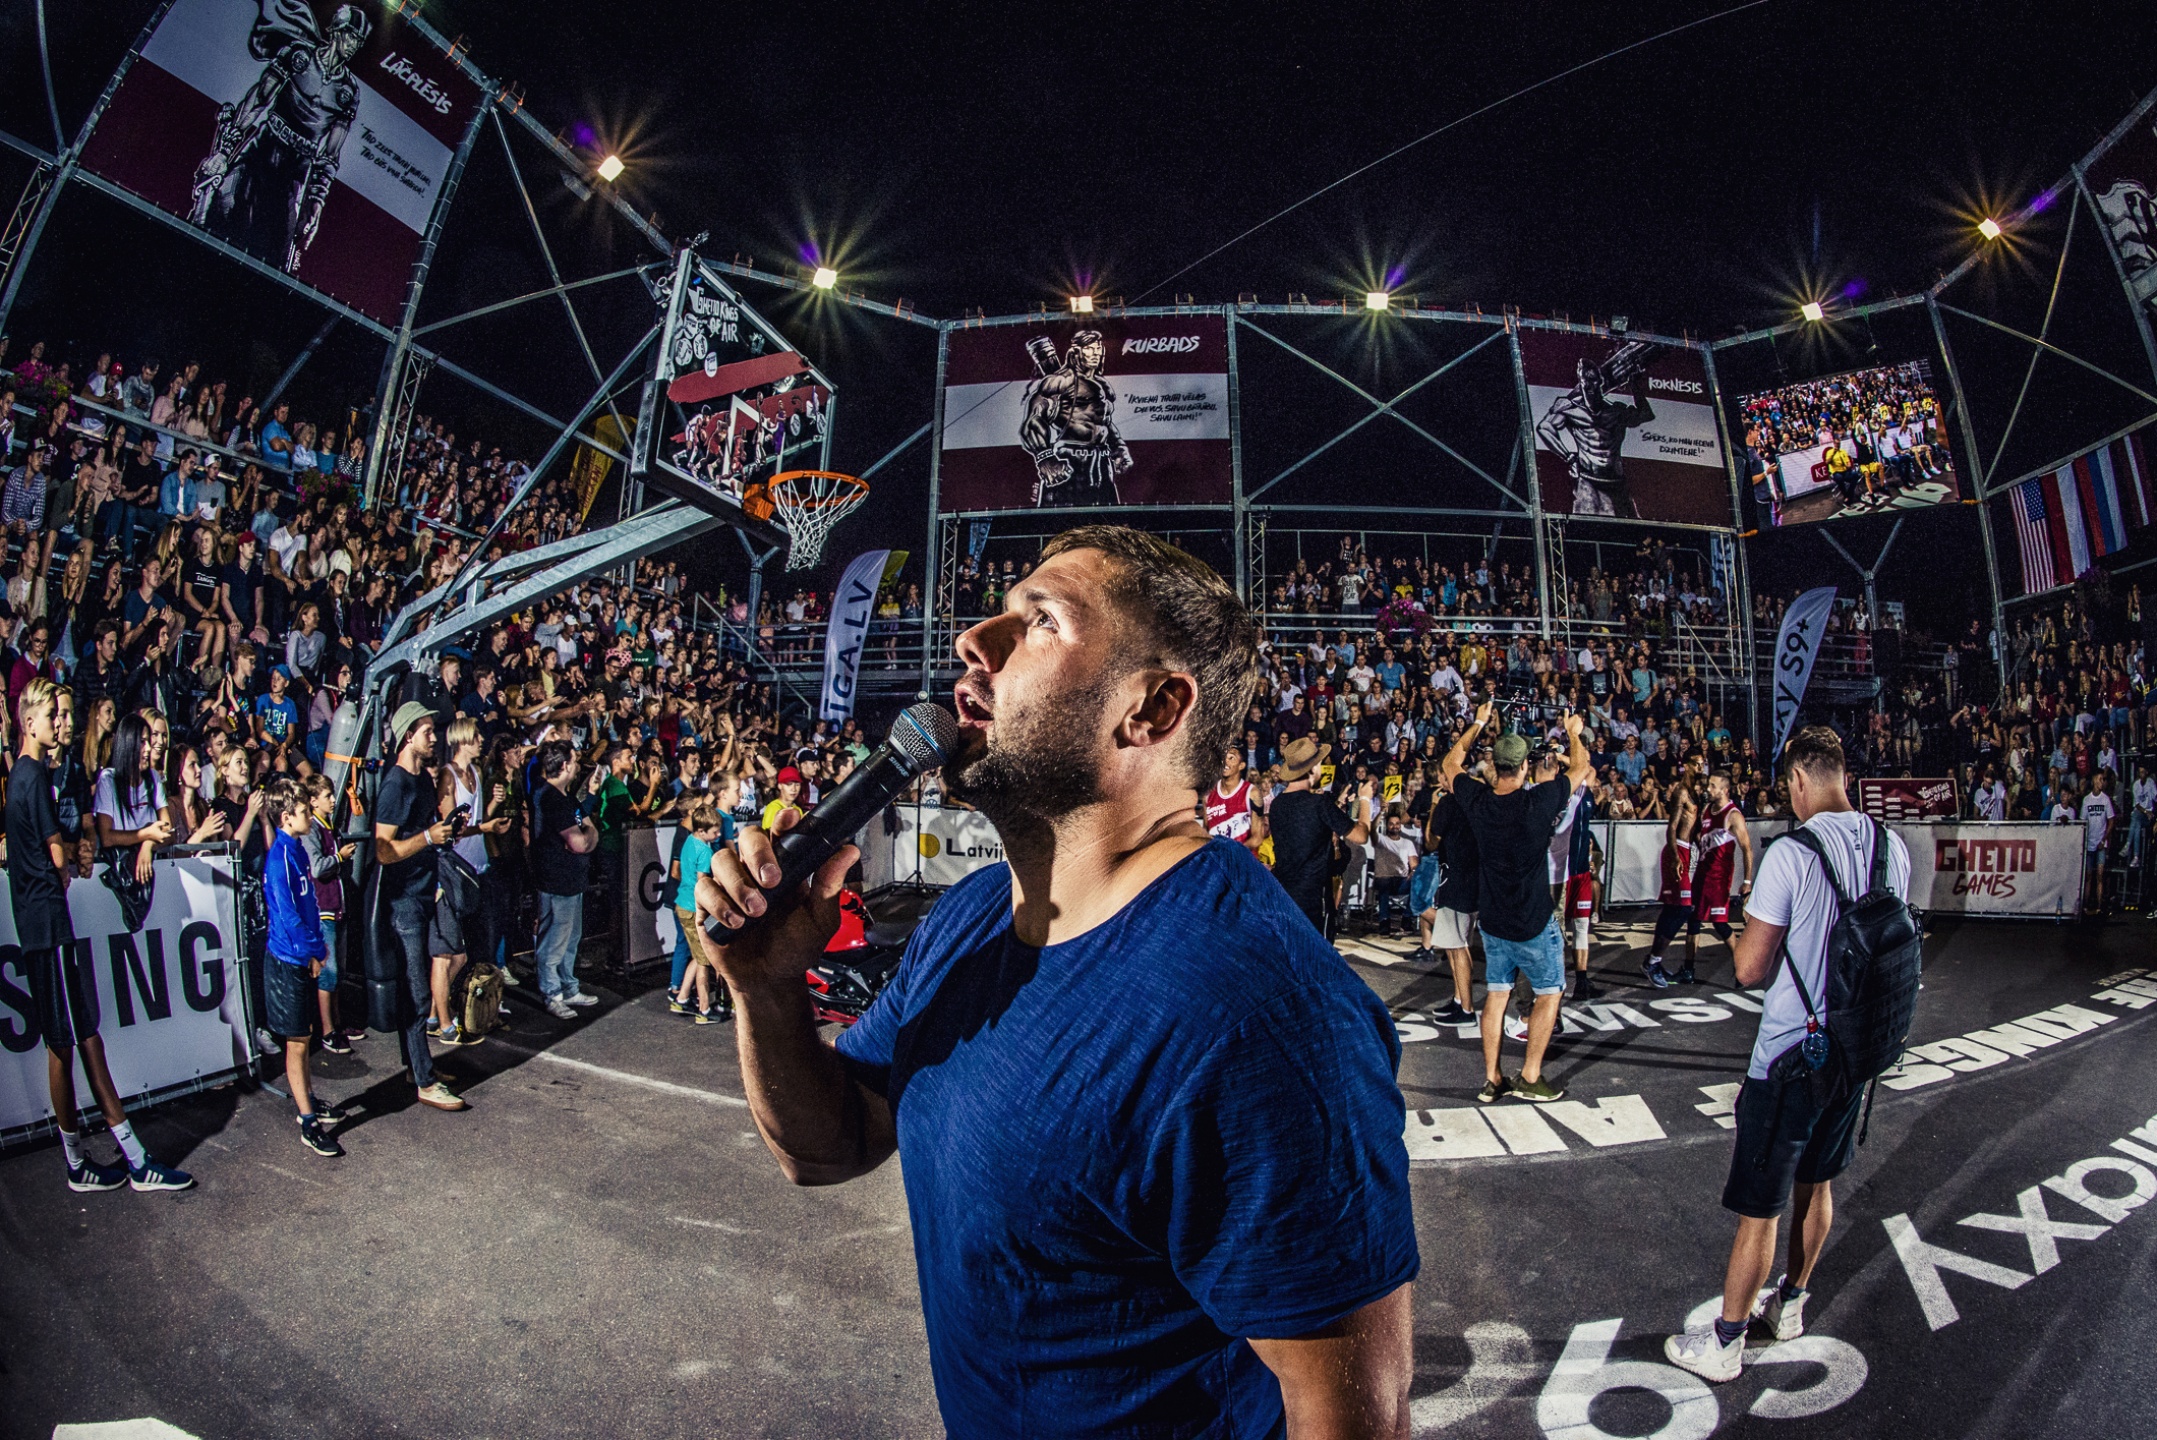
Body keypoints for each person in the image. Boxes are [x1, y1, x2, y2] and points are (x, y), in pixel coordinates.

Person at [697, 526, 1417, 1436]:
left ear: (1152, 708)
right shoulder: (967, 919)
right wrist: (764, 990)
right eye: (999, 613)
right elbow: (828, 1147)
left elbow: (1351, 1420)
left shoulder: (1262, 1018)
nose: (974, 640)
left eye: (1041, 621)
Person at [1665, 725, 1911, 1383]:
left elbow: (1749, 967)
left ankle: (1725, 1341)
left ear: (1799, 779)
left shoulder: (1791, 853)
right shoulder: (1891, 847)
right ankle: (1792, 1305)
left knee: (1761, 1207)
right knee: (1818, 1183)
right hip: (1856, 1050)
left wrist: (1741, 927)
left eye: (1788, 787)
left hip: (1790, 1054)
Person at [10, 680, 193, 1191]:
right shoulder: (32, 775)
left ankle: (80, 1162)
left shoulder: (29, 775)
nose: (62, 724)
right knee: (81, 1038)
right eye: (54, 716)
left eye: (64, 715)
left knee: (66, 1043)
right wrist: (76, 854)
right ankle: (133, 1159)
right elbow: (56, 856)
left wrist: (73, 853)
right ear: (29, 721)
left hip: (41, 925)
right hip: (48, 925)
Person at [1440, 702, 1592, 1105]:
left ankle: (1492, 1079)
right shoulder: (1538, 801)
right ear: (1524, 767)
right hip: (1532, 920)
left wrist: (1477, 722)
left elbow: (1450, 763)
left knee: (1497, 995)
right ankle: (1529, 1075)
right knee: (1550, 993)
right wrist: (1572, 732)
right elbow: (1582, 768)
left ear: (1495, 766)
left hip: (1493, 920)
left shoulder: (1478, 799)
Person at [372, 703, 466, 1112]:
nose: (434, 737)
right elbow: (383, 850)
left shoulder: (423, 780)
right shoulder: (395, 785)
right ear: (407, 735)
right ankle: (425, 1082)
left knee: (423, 981)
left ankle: (416, 1067)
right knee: (415, 992)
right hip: (404, 901)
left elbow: (428, 831)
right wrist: (428, 838)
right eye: (426, 731)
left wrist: (445, 833)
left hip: (427, 891)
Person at [261, 780, 342, 1158]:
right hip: (287, 961)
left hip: (304, 956)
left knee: (305, 1039)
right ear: (286, 817)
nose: (310, 815)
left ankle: (308, 1098)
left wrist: (317, 950)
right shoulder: (278, 858)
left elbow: (308, 906)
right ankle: (308, 1123)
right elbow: (289, 917)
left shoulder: (296, 849)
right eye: (304, 811)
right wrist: (315, 950)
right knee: (296, 1044)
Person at [1264, 736, 1374, 936]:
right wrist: (1365, 799)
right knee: (1316, 952)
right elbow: (1360, 836)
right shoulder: (1318, 803)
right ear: (1313, 769)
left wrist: (1336, 804)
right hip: (1313, 898)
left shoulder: (1277, 805)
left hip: (1283, 894)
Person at [528, 738, 601, 1019]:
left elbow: (587, 828)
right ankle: (552, 994)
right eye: (575, 760)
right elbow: (580, 842)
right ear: (565, 765)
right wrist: (588, 835)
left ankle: (568, 987)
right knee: (554, 941)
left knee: (571, 937)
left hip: (571, 879)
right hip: (556, 880)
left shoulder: (565, 797)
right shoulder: (551, 799)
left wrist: (588, 833)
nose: (578, 765)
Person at [300, 774, 362, 1055]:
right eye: (327, 796)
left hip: (337, 906)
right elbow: (317, 867)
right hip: (322, 908)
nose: (334, 800)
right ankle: (327, 1031)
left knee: (339, 972)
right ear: (313, 801)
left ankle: (337, 1023)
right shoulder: (312, 829)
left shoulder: (329, 826)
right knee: (330, 971)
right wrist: (339, 857)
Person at [1679, 772, 1755, 982]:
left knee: (1720, 924)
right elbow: (1701, 837)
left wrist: (1747, 881)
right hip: (1702, 874)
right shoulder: (1706, 810)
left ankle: (1742, 968)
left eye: (1713, 786)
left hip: (1719, 879)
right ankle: (1688, 970)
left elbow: (1747, 848)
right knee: (1693, 920)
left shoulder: (1733, 815)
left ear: (1725, 790)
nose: (1708, 789)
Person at [1419, 771, 1479, 1027]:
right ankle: (1458, 999)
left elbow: (1431, 842)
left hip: (1454, 880)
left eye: (1443, 776)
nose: (1439, 780)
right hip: (1472, 879)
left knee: (1458, 946)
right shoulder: (1475, 799)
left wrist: (1434, 806)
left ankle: (1467, 1009)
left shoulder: (1448, 802)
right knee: (1455, 944)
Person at [668, 803, 732, 1023]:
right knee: (704, 960)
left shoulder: (690, 840)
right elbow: (703, 883)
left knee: (697, 957)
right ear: (702, 831)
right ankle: (704, 1010)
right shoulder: (705, 851)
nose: (718, 835)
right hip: (694, 909)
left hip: (683, 905)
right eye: (715, 831)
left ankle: (682, 997)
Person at [1643, 771, 1703, 987]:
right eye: (1696, 763)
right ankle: (1653, 962)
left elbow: (1695, 828)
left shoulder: (1697, 795)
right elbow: (1672, 826)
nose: (1700, 766)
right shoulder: (1682, 792)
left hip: (1686, 850)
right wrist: (1676, 856)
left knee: (1672, 908)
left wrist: (1703, 848)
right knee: (1683, 909)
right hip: (1676, 851)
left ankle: (1653, 961)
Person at [1203, 745, 1266, 855]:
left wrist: (1232, 853)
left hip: (1243, 860)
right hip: (1218, 861)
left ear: (1241, 765)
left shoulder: (1252, 793)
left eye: (1231, 758)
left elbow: (1258, 837)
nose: (1225, 762)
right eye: (1223, 757)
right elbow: (1205, 833)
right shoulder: (1208, 795)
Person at [2081, 770, 2116, 916]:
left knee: (2100, 876)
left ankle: (2100, 906)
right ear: (2095, 780)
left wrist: (2104, 839)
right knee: (2088, 876)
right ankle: (2085, 906)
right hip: (2089, 843)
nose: (2102, 782)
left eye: (2103, 779)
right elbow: (2083, 821)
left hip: (2101, 843)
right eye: (2100, 779)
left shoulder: (2105, 799)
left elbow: (2111, 821)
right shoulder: (2087, 800)